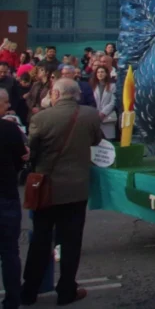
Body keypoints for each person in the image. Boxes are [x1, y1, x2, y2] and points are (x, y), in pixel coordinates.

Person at [21, 78, 103, 305]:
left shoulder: (40, 118)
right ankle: (67, 290)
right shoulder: (89, 115)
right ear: (76, 94)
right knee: (71, 243)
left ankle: (29, 290)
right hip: (76, 189)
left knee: (40, 240)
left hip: (46, 189)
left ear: (55, 94)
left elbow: (32, 152)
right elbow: (97, 141)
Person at [0, 89, 28, 309]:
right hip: (6, 195)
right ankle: (12, 300)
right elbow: (21, 157)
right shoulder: (10, 128)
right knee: (9, 251)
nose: (8, 106)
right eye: (6, 102)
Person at [89, 66, 117, 140]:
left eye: (102, 72)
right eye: (98, 72)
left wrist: (103, 113)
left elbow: (113, 101)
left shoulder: (112, 86)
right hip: (94, 116)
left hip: (107, 117)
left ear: (106, 74)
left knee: (108, 140)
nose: (100, 74)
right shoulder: (92, 86)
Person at [0, 62, 27, 127]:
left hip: (7, 112)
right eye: (0, 72)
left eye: (5, 72)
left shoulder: (11, 81)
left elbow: (16, 97)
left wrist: (13, 109)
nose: (3, 74)